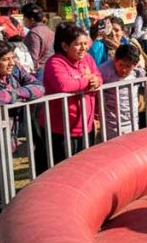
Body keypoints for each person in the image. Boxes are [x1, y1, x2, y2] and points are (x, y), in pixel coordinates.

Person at [0, 39, 44, 213]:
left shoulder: (14, 70)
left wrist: (15, 94)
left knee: (4, 193)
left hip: (5, 143)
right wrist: (22, 94)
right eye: (6, 59)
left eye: (12, 57)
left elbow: (39, 87)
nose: (12, 62)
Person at [38, 23, 102, 170]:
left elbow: (98, 76)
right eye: (78, 44)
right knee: (64, 168)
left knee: (85, 165)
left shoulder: (88, 59)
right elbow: (64, 85)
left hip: (86, 125)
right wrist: (87, 80)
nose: (84, 48)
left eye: (85, 44)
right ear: (65, 46)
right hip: (61, 128)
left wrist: (96, 80)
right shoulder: (55, 62)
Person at [97, 43, 145, 140]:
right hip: (111, 122)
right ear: (115, 60)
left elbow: (142, 80)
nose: (123, 70)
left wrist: (140, 94)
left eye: (128, 66)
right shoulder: (103, 71)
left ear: (135, 65)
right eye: (120, 65)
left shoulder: (138, 71)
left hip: (132, 119)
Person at [21, 3, 55, 80]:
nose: (23, 20)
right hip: (51, 68)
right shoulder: (50, 31)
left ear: (32, 19)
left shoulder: (34, 33)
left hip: (40, 72)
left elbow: (33, 57)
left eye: (24, 18)